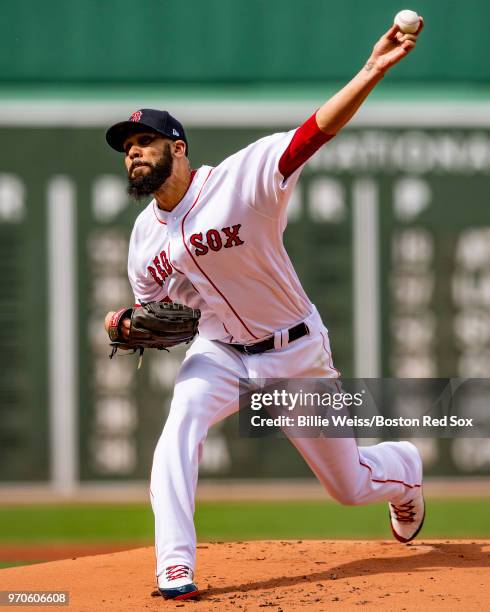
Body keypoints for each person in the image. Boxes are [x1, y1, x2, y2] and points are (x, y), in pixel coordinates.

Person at [104, 19, 425, 601]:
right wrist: (128, 322)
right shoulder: (143, 238)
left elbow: (314, 132)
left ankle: (403, 469)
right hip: (220, 351)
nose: (134, 155)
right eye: (127, 149)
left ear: (177, 147)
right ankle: (175, 567)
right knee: (179, 428)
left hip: (294, 349)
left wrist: (373, 67)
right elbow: (154, 313)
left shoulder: (242, 179)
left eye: (143, 142)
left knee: (348, 487)